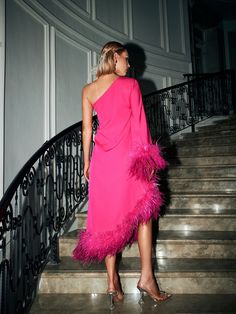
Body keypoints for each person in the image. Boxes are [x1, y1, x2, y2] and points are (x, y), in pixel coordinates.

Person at [72, 41, 171, 309]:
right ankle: (147, 277)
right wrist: (147, 160)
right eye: (126, 59)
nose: (130, 64)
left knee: (108, 223)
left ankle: (111, 283)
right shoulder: (130, 86)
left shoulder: (88, 90)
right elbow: (140, 124)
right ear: (115, 58)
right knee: (144, 214)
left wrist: (86, 163)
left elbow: (86, 131)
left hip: (103, 163)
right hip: (128, 161)